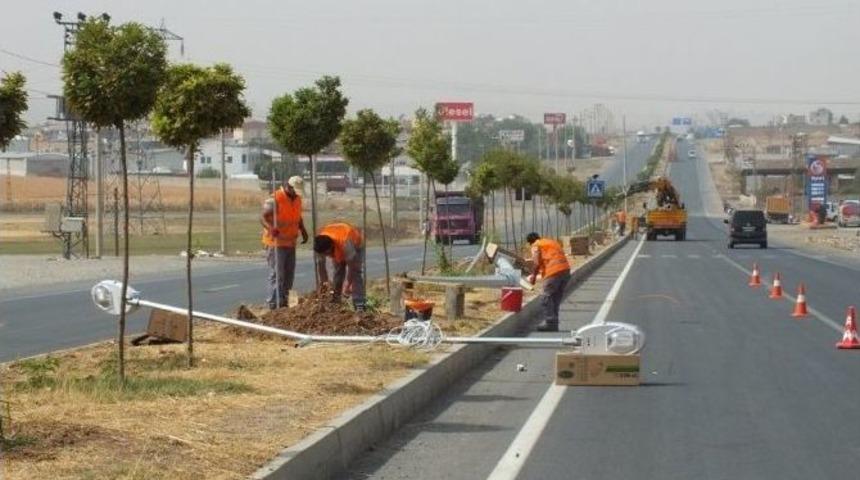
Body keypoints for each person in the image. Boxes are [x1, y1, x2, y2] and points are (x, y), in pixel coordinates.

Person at [261, 176, 308, 310]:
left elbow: (298, 217)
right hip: (275, 243)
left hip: (290, 242)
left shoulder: (297, 199)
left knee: (289, 274)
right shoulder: (275, 199)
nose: (297, 193)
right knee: (277, 274)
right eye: (295, 190)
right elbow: (262, 217)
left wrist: (303, 230)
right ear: (289, 186)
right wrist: (270, 228)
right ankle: (273, 304)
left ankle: (284, 302)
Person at [313, 222, 366, 311]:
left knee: (356, 274)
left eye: (327, 253)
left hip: (355, 244)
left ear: (332, 246)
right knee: (337, 273)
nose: (327, 256)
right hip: (338, 241)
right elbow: (321, 266)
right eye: (324, 254)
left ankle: (359, 304)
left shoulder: (346, 243)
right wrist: (324, 284)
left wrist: (348, 284)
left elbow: (352, 267)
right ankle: (335, 302)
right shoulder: (319, 245)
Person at [526, 232, 571, 332]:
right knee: (555, 299)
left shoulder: (536, 245)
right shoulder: (551, 242)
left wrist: (533, 276)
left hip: (553, 271)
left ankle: (550, 323)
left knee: (545, 297)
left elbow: (536, 262)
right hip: (565, 271)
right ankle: (554, 324)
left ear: (530, 242)